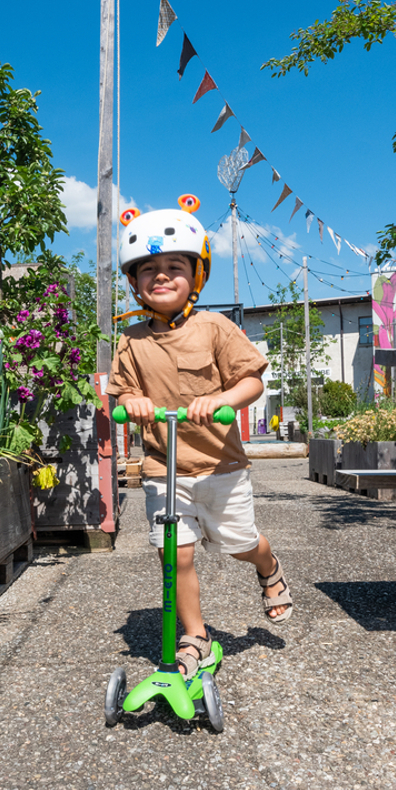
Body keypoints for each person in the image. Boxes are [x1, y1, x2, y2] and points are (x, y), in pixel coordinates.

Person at [108, 196, 293, 680]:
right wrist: (133, 402)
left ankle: (267, 564)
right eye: (148, 270)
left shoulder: (214, 327)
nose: (161, 276)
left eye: (175, 267)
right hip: (163, 469)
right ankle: (196, 635)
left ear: (197, 274)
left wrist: (224, 397)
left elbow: (252, 380)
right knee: (175, 554)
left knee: (239, 544)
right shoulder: (131, 341)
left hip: (220, 469)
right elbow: (121, 395)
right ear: (134, 282)